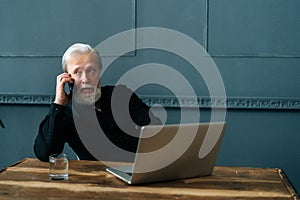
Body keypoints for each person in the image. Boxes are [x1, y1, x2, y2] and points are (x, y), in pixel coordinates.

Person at [34, 43, 160, 162]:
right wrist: (58, 104)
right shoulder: (66, 112)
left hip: (135, 171)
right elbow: (45, 153)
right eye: (77, 72)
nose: (85, 79)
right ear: (68, 78)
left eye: (91, 71)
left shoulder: (121, 95)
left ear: (99, 73)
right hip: (94, 178)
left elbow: (155, 128)